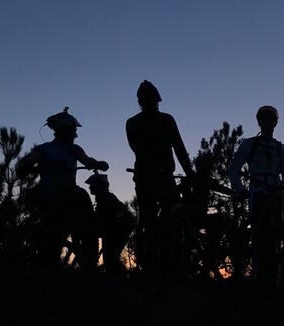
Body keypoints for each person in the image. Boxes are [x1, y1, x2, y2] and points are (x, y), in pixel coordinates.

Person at [17, 107, 108, 269]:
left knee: (83, 202)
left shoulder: (75, 149)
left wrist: (97, 163)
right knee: (79, 199)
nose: (75, 134)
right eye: (73, 130)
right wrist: (24, 166)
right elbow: (28, 161)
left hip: (67, 196)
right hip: (50, 197)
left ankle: (90, 252)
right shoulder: (44, 149)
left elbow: (87, 160)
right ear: (63, 131)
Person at [125, 80, 195, 275]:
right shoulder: (138, 123)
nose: (151, 104)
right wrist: (188, 172)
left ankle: (173, 261)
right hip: (150, 178)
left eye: (153, 100)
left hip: (161, 177)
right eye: (148, 100)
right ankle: (153, 263)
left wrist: (189, 172)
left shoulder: (160, 120)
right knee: (150, 221)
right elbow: (175, 148)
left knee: (173, 217)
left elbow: (179, 148)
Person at [228, 105, 284, 287]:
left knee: (277, 232)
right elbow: (234, 169)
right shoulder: (249, 144)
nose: (268, 123)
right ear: (259, 122)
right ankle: (257, 273)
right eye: (264, 119)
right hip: (257, 192)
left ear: (275, 123)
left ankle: (276, 275)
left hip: (276, 194)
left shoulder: (280, 148)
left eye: (271, 119)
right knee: (258, 232)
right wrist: (240, 189)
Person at [85, 174, 134, 275]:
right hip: (115, 232)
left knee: (111, 258)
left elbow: (116, 215)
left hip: (118, 232)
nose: (90, 187)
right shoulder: (103, 198)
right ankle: (118, 280)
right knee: (110, 258)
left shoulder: (106, 198)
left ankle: (121, 281)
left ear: (100, 185)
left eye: (92, 184)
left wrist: (112, 226)